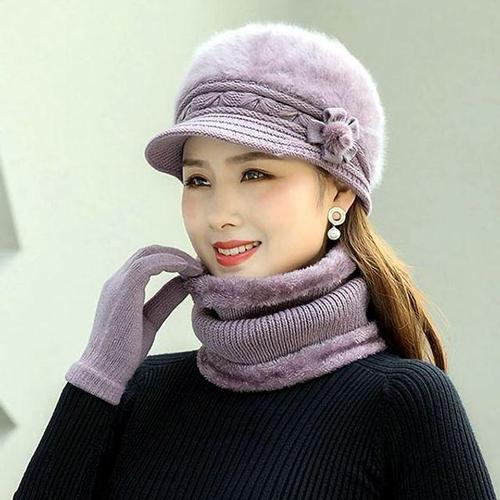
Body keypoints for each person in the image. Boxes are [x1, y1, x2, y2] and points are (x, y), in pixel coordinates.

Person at [14, 21, 497, 499]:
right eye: (198, 180)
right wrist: (97, 377)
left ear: (340, 191)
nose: (220, 214)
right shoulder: (138, 392)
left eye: (255, 174)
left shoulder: (399, 402)